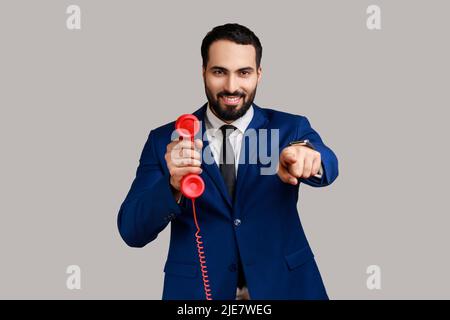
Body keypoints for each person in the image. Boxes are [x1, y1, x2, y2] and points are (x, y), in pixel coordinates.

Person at [117, 23, 339, 300]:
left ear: (259, 74)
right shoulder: (164, 140)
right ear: (203, 72)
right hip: (198, 293)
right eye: (219, 72)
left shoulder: (289, 128)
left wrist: (309, 157)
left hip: (286, 287)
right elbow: (131, 231)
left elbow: (327, 163)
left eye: (243, 73)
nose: (231, 87)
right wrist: (172, 185)